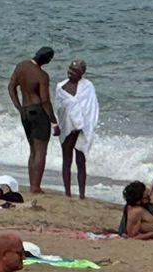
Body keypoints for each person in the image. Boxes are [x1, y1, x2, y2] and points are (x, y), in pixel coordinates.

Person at [6, 46, 56, 194]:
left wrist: (19, 107)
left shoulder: (21, 66)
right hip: (39, 112)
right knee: (41, 151)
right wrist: (53, 121)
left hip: (25, 111)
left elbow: (11, 87)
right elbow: (45, 101)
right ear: (46, 59)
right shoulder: (42, 76)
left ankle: (32, 184)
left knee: (33, 150)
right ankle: (36, 187)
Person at [54, 60, 98, 200]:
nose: (70, 73)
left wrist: (84, 126)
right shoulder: (60, 87)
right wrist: (60, 125)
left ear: (81, 74)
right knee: (67, 161)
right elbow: (59, 108)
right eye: (70, 70)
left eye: (75, 71)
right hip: (67, 128)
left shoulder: (88, 86)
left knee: (81, 162)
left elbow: (92, 109)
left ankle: (82, 194)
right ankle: (67, 192)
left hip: (83, 129)